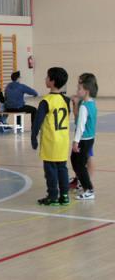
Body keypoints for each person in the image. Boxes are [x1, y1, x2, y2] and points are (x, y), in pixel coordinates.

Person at [31, 67, 70, 206]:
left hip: (50, 140)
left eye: (47, 77)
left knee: (50, 170)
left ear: (52, 81)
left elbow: (38, 121)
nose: (45, 79)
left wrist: (33, 136)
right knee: (62, 168)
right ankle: (65, 196)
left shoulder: (46, 101)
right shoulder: (66, 100)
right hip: (63, 140)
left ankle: (53, 196)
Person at [71, 73, 98, 200]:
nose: (77, 91)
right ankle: (83, 183)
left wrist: (76, 142)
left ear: (86, 90)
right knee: (75, 160)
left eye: (79, 88)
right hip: (89, 139)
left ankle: (89, 189)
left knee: (79, 164)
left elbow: (80, 126)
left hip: (83, 140)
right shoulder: (92, 103)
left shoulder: (84, 107)